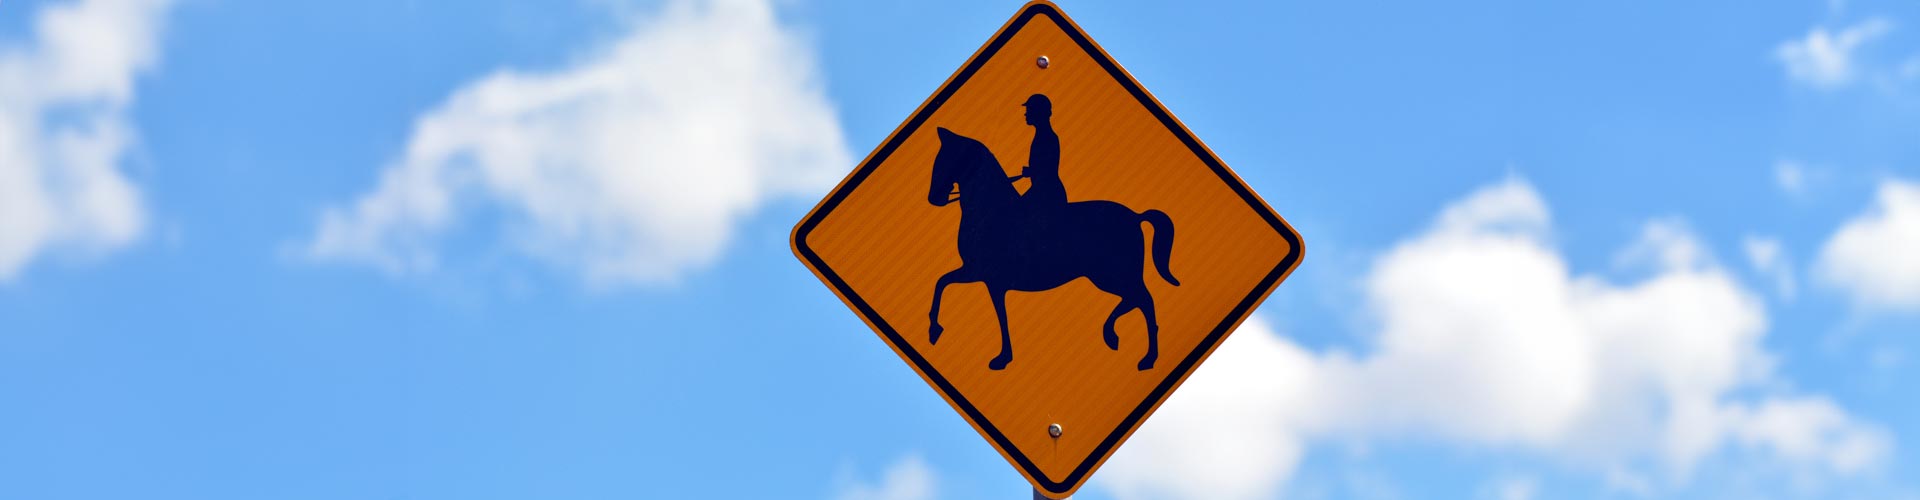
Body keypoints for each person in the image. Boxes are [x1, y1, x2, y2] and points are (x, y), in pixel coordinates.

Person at [1019, 94, 1066, 207]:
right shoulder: (1042, 136)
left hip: (1048, 193)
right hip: (1042, 191)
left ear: (1038, 112)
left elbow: (1048, 172)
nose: (1026, 114)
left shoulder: (1048, 137)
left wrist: (1031, 172)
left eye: (1029, 110)